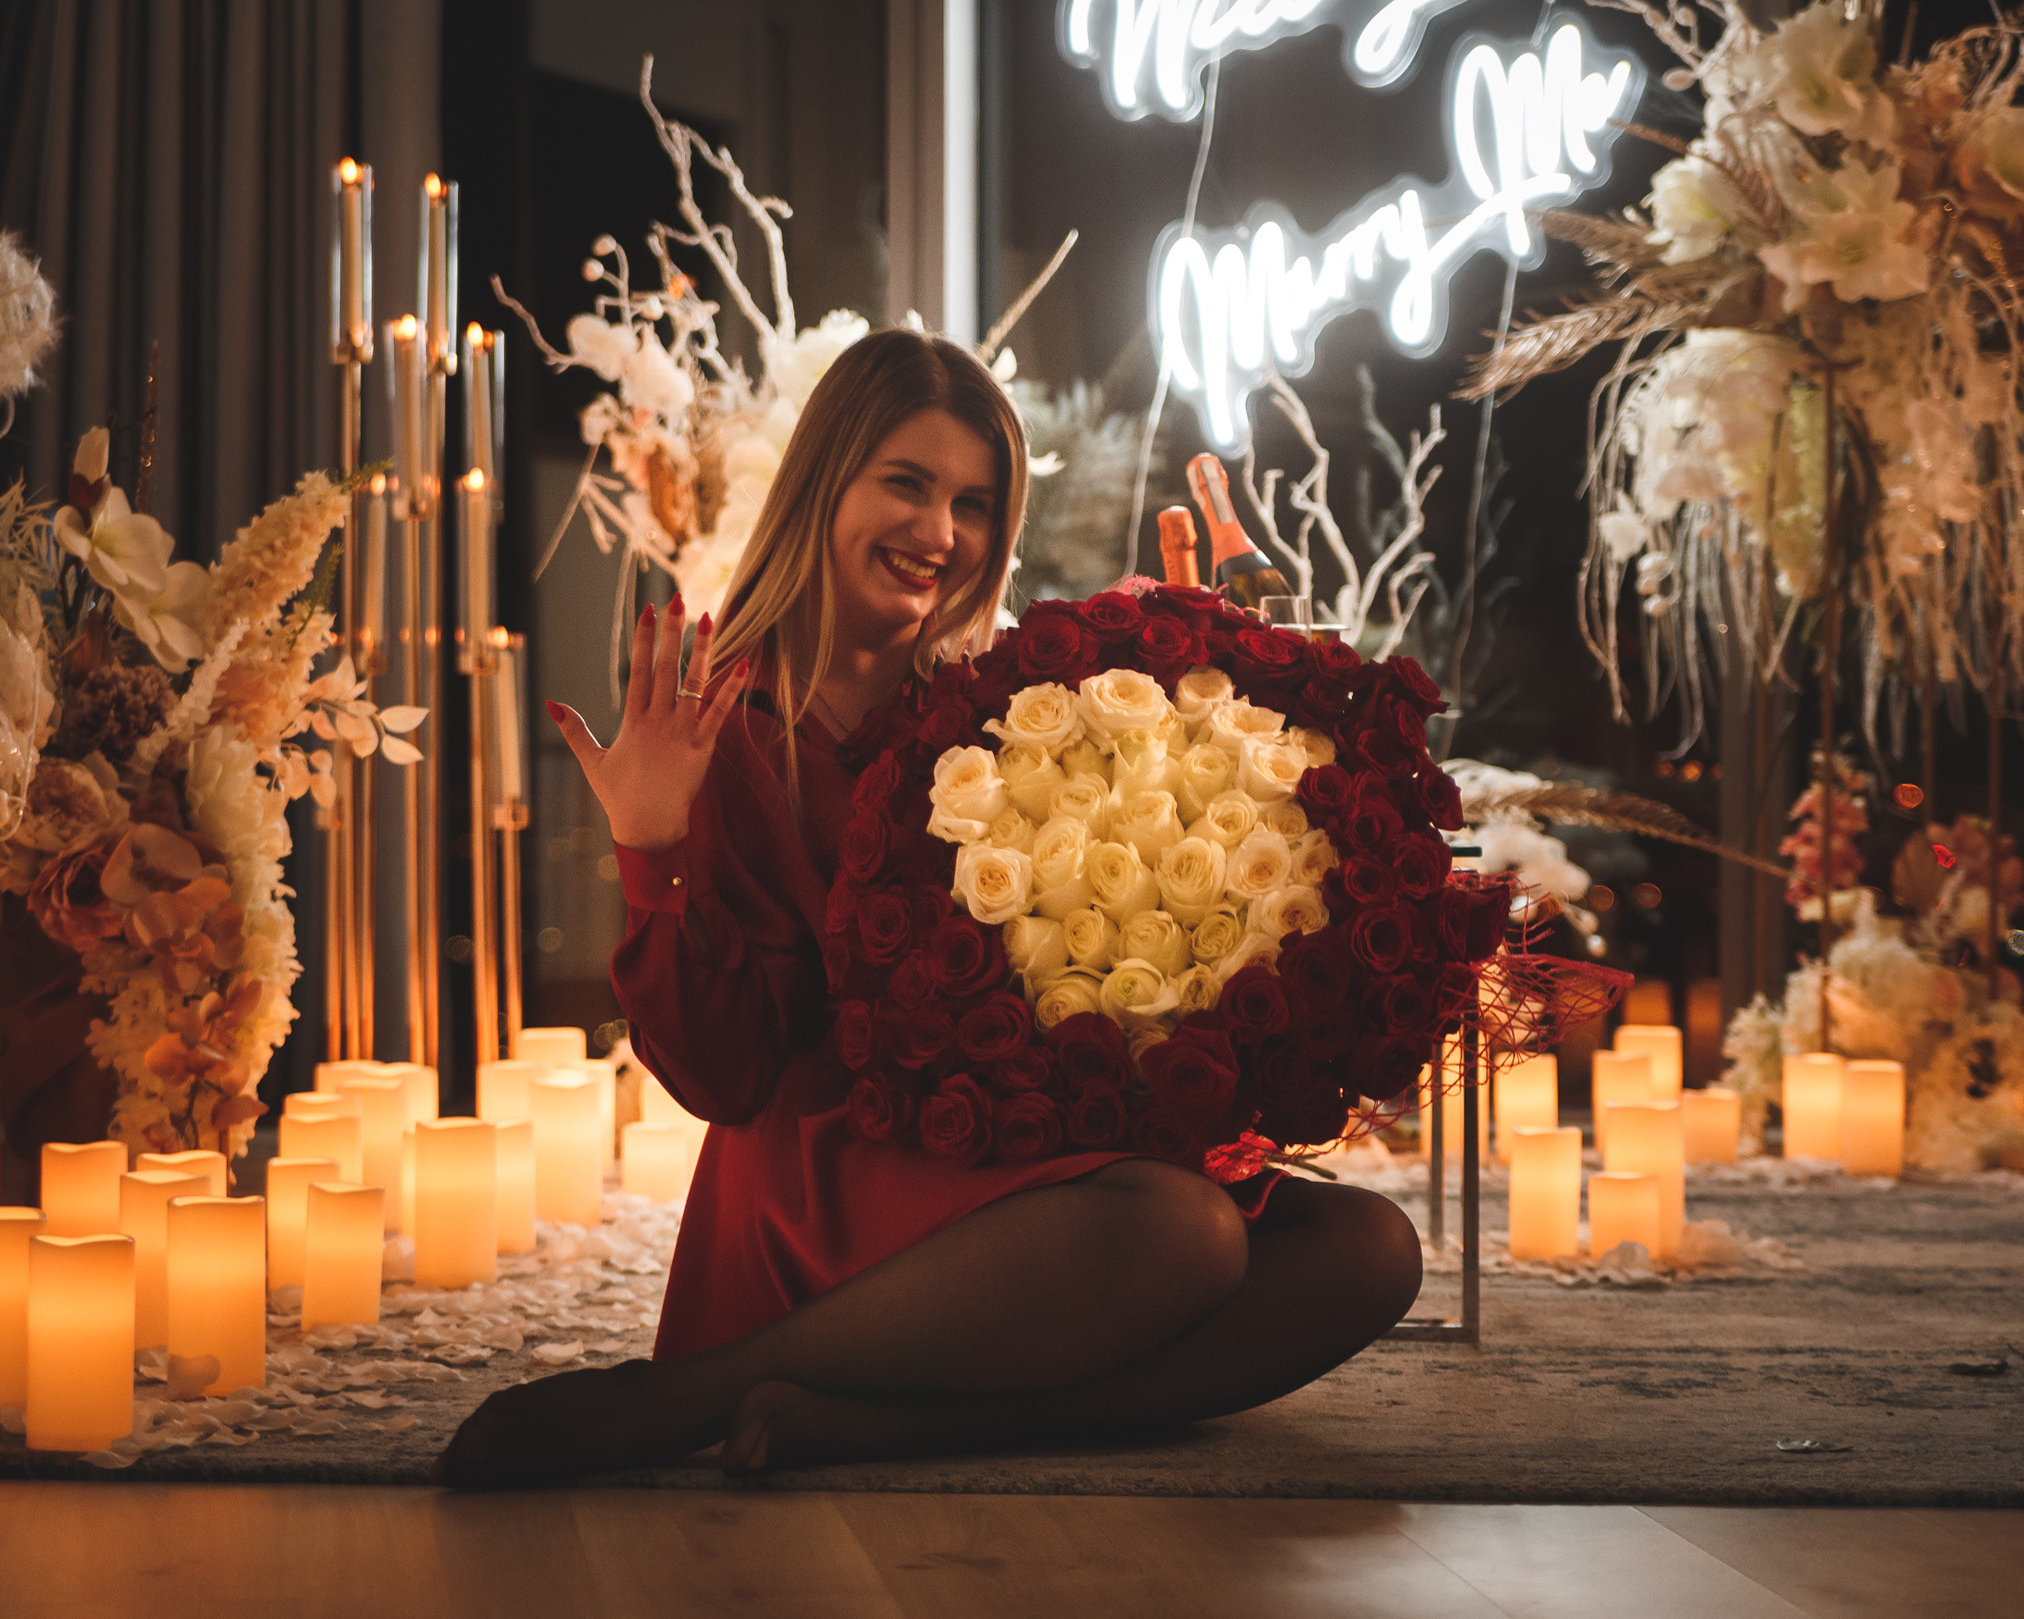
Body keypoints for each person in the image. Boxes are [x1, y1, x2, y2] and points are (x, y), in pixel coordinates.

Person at [435, 328, 1422, 1487]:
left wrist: (1207, 717)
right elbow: (724, 1078)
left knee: (1366, 1249)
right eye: (906, 483)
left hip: (1009, 1136)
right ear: (823, 484)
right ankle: (685, 1393)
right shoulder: (720, 722)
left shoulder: (1002, 694)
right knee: (1181, 1231)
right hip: (828, 1168)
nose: (940, 533)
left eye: (972, 502)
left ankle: (892, 1421)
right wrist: (649, 847)